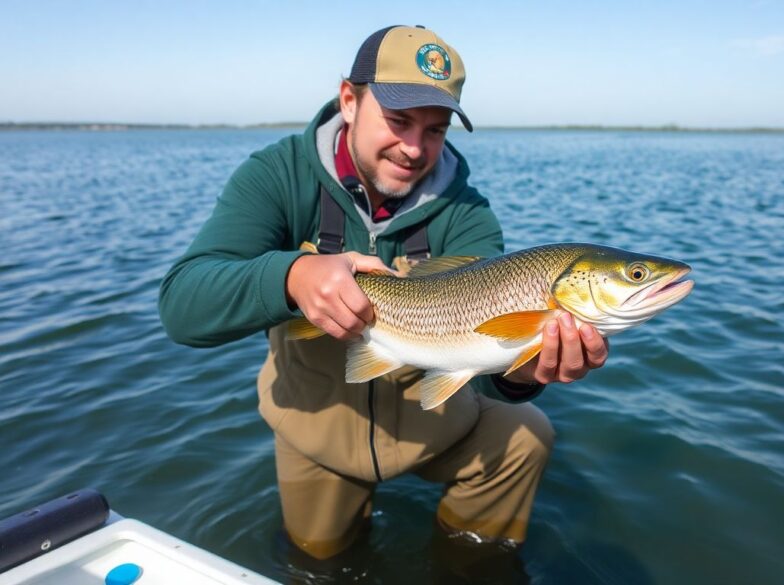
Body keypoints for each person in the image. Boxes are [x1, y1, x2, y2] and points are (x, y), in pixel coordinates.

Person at [158, 24, 609, 561]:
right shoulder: (275, 177)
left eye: (436, 130)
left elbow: (485, 366)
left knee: (528, 433)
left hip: (441, 424)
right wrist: (291, 277)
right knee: (316, 561)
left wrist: (523, 373)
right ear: (348, 100)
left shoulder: (469, 213)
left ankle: (471, 565)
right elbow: (182, 305)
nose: (415, 147)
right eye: (398, 121)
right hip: (317, 435)